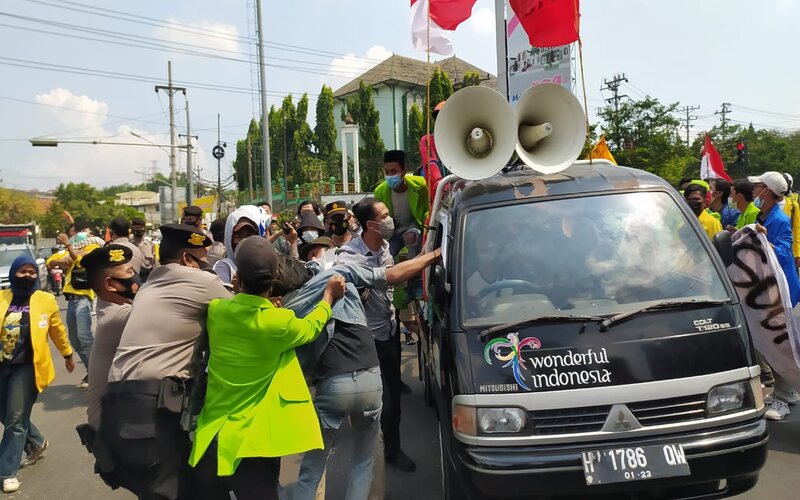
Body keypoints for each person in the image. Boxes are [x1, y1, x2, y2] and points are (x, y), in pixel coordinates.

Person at [189, 237, 345, 500]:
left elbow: (238, 308)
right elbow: (311, 327)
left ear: (238, 277)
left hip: (214, 434)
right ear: (274, 278)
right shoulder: (280, 322)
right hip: (254, 442)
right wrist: (329, 296)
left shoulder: (217, 311)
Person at [291, 231, 441, 500]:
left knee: (311, 471)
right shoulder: (342, 274)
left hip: (331, 381)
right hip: (370, 375)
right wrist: (435, 254)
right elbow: (393, 275)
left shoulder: (289, 302)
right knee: (363, 462)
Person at [100, 224, 230, 499]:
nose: (204, 268)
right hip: (153, 406)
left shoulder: (148, 286)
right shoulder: (202, 281)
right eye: (201, 261)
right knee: (173, 490)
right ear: (186, 258)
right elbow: (241, 315)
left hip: (117, 405)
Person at [335, 198, 415, 472]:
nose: (390, 218)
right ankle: (372, 462)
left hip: (389, 332)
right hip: (366, 341)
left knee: (395, 394)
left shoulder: (384, 247)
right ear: (370, 224)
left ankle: (393, 450)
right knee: (382, 405)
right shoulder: (350, 256)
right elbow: (388, 277)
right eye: (384, 215)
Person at [1, 255, 75, 493]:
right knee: (6, 413)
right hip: (2, 365)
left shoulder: (45, 300)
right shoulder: (2, 297)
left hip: (28, 367)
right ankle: (36, 442)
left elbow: (57, 330)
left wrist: (67, 353)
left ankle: (7, 471)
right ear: (13, 274)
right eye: (22, 272)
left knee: (15, 418)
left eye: (31, 272)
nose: (28, 276)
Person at [79, 245, 139, 433]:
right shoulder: (117, 316)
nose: (135, 276)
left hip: (113, 426)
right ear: (110, 284)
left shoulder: (111, 308)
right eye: (129, 272)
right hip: (111, 433)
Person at [51, 220, 104, 388]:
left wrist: (69, 247)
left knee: (85, 337)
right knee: (74, 340)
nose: (79, 235)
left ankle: (97, 376)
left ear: (92, 234)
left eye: (84, 232)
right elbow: (52, 260)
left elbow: (82, 261)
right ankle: (92, 372)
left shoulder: (95, 246)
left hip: (84, 297)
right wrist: (68, 252)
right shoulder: (75, 247)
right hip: (71, 299)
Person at [749, 172, 800, 305]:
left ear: (766, 191)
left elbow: (784, 255)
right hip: (769, 287)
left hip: (780, 291)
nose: (753, 190)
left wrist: (764, 240)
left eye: (756, 186)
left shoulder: (780, 220)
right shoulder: (762, 216)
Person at [374, 150, 429, 256]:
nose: (390, 176)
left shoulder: (421, 185)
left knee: (412, 242)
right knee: (388, 253)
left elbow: (428, 209)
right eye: (387, 172)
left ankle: (414, 269)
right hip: (393, 230)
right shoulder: (379, 191)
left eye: (394, 171)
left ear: (403, 172)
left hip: (414, 226)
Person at [213, 206, 270, 285]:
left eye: (249, 235)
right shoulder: (223, 267)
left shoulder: (265, 263)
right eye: (239, 236)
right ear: (230, 238)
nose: (244, 241)